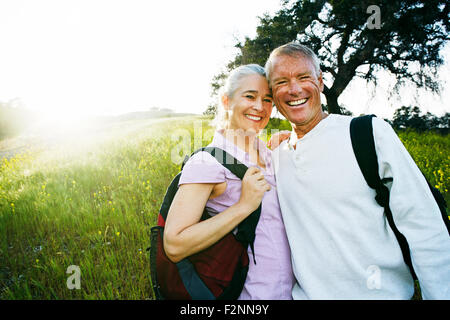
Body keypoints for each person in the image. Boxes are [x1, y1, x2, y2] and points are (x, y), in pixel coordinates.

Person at [266, 42, 450, 299]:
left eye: (303, 77)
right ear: (272, 93)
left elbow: (424, 226)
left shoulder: (368, 134)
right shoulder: (273, 157)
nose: (294, 89)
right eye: (281, 82)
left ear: (320, 81)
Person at [163, 64, 295, 299]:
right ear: (226, 100)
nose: (259, 107)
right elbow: (174, 245)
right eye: (249, 96)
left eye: (267, 99)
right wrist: (243, 206)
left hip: (291, 292)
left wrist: (278, 147)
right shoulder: (207, 162)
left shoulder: (268, 154)